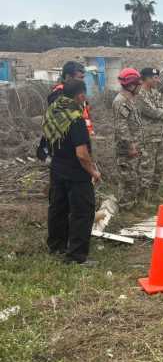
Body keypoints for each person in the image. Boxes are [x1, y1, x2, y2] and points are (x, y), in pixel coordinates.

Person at [44, 80, 101, 264]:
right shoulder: (76, 118)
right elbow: (82, 154)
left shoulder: (53, 110)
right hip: (76, 173)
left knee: (58, 209)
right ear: (80, 95)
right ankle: (76, 256)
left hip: (57, 168)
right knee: (82, 213)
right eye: (84, 94)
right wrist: (93, 172)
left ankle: (56, 246)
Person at [136, 68, 163, 201]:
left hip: (159, 135)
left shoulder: (156, 92)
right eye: (155, 78)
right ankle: (143, 198)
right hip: (147, 137)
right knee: (146, 167)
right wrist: (162, 112)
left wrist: (162, 112)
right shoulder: (140, 94)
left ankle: (154, 193)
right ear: (147, 78)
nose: (157, 80)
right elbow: (151, 111)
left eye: (157, 77)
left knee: (159, 166)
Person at [112, 67, 144, 210]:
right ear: (131, 85)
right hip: (126, 148)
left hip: (133, 146)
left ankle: (132, 205)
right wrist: (130, 146)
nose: (140, 87)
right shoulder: (121, 101)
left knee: (133, 177)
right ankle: (126, 207)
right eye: (138, 84)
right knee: (127, 179)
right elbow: (121, 127)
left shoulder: (129, 100)